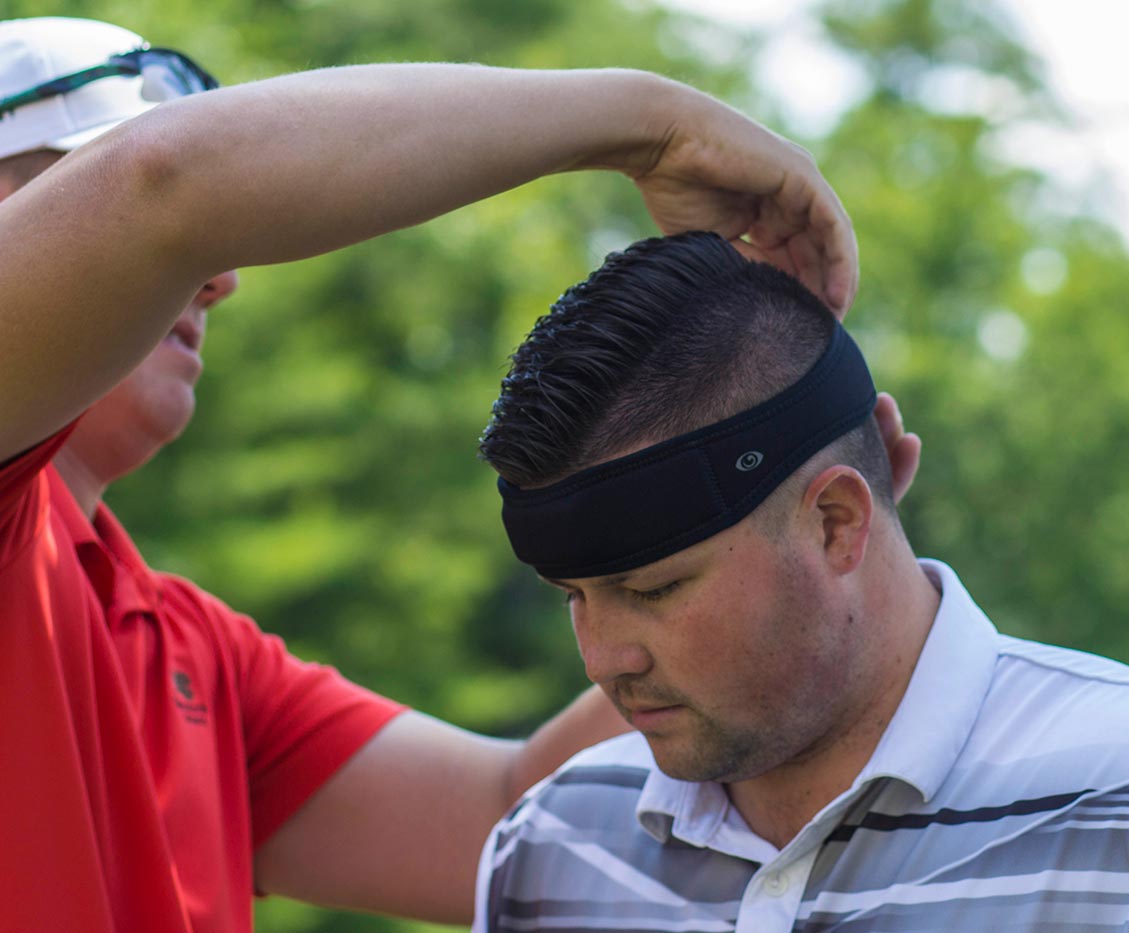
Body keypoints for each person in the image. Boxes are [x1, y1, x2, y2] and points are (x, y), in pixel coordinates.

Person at [0, 16, 886, 932]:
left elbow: (506, 815)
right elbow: (168, 186)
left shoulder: (183, 647)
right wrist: (649, 122)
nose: (218, 275)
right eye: (69, 180)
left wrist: (777, 499)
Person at [475, 231, 1129, 932]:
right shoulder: (549, 846)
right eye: (573, 596)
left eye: (655, 587)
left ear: (837, 521)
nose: (602, 658)